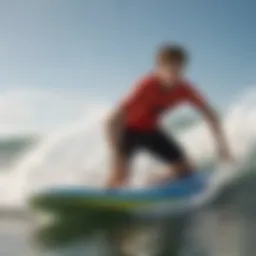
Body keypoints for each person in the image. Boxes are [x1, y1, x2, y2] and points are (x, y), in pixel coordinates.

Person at [105, 43, 232, 188]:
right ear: (158, 68)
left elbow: (210, 114)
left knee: (187, 171)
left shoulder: (184, 89)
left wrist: (222, 147)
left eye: (179, 70)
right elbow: (111, 121)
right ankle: (104, 197)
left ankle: (152, 183)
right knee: (120, 177)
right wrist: (117, 157)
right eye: (170, 69)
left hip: (151, 131)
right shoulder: (145, 86)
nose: (174, 75)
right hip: (128, 131)